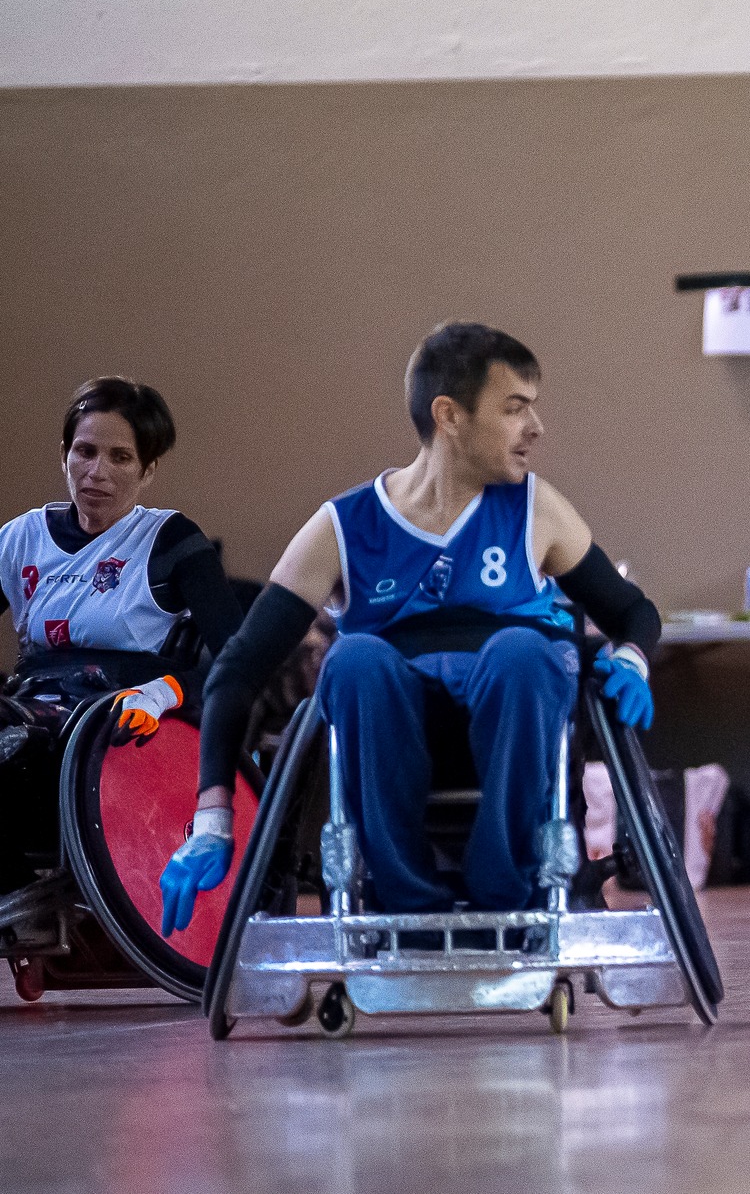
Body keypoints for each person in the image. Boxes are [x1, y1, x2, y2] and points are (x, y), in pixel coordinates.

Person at [166, 322, 663, 932]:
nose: (536, 429)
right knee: (353, 660)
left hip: (514, 715)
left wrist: (634, 657)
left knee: (521, 651)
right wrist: (212, 819)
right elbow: (237, 670)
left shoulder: (536, 508)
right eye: (515, 409)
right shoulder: (343, 526)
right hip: (391, 730)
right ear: (450, 416)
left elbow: (632, 611)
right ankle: (402, 893)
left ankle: (504, 883)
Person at [0, 377, 246, 891]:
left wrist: (162, 694)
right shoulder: (21, 538)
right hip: (32, 704)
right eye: (85, 452)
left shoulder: (170, 540)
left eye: (120, 457)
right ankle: (19, 888)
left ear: (148, 469)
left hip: (116, 720)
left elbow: (241, 662)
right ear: (64, 455)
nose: (97, 472)